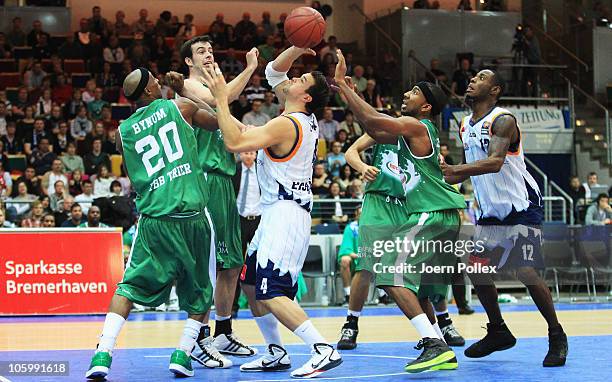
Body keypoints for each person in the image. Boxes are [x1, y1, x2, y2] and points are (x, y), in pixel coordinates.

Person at [201, 45, 343, 378]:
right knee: (250, 283)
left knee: (271, 290)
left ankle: (323, 348)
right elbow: (274, 74)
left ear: (305, 97)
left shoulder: (287, 125)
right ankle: (276, 351)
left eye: (302, 78)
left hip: (287, 214)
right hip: (276, 212)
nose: (294, 77)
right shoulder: (298, 116)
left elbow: (235, 143)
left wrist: (222, 98)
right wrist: (296, 47)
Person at [335, 49, 465, 371]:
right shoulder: (408, 132)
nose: (406, 94)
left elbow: (376, 121)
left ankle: (434, 345)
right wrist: (349, 94)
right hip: (436, 214)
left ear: (426, 106)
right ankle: (440, 343)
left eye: (414, 92)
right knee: (413, 286)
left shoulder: (417, 126)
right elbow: (375, 129)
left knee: (389, 272)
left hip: (431, 213)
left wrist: (346, 87)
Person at [85, 67, 218, 379]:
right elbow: (216, 120)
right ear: (147, 91)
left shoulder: (122, 132)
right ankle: (182, 353)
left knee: (129, 286)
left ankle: (103, 352)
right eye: (157, 82)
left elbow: (127, 146)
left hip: (154, 219)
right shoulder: (180, 107)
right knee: (201, 291)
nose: (161, 83)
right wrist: (183, 90)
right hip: (191, 218)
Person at [440, 69, 568, 367]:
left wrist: (455, 171)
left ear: (495, 90)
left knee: (525, 271)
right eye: (472, 76)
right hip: (490, 211)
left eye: (481, 77)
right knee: (476, 268)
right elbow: (471, 167)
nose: (472, 79)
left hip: (521, 205)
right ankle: (498, 331)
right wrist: (448, 176)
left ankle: (556, 334)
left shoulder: (503, 119)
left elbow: (496, 163)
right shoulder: (464, 125)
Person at [169, 35, 260, 367]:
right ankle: (198, 338)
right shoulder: (190, 89)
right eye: (200, 52)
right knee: (207, 265)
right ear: (189, 62)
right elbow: (227, 96)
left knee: (232, 261)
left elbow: (235, 124)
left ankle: (223, 330)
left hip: (224, 180)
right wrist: (251, 67)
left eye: (210, 50)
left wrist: (258, 132)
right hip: (205, 179)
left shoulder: (215, 96)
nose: (208, 55)